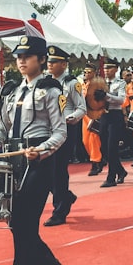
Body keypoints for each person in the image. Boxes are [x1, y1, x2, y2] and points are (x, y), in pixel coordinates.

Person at [0, 35, 67, 265]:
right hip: (14, 162)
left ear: (41, 60)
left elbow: (60, 132)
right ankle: (48, 264)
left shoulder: (51, 91)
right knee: (18, 226)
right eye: (19, 56)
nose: (21, 60)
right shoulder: (12, 92)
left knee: (23, 226)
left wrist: (41, 150)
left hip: (39, 163)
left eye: (27, 56)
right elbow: (1, 128)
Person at [44, 45, 86, 227]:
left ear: (64, 64)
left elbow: (81, 108)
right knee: (46, 172)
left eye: (54, 62)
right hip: (48, 130)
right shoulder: (45, 82)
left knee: (59, 170)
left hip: (67, 128)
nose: (50, 65)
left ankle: (59, 211)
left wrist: (71, 118)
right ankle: (66, 196)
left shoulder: (71, 83)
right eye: (49, 62)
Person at [97, 60, 128, 187]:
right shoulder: (100, 83)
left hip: (115, 116)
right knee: (104, 147)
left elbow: (121, 100)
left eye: (109, 68)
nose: (106, 71)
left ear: (116, 69)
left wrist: (106, 96)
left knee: (111, 147)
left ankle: (111, 177)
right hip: (104, 115)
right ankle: (121, 171)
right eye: (105, 68)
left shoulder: (120, 83)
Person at [81, 65, 106, 175]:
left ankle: (95, 163)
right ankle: (99, 159)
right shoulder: (83, 85)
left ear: (94, 73)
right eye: (85, 71)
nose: (86, 74)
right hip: (84, 116)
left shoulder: (98, 85)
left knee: (93, 140)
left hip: (95, 114)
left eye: (89, 72)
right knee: (85, 141)